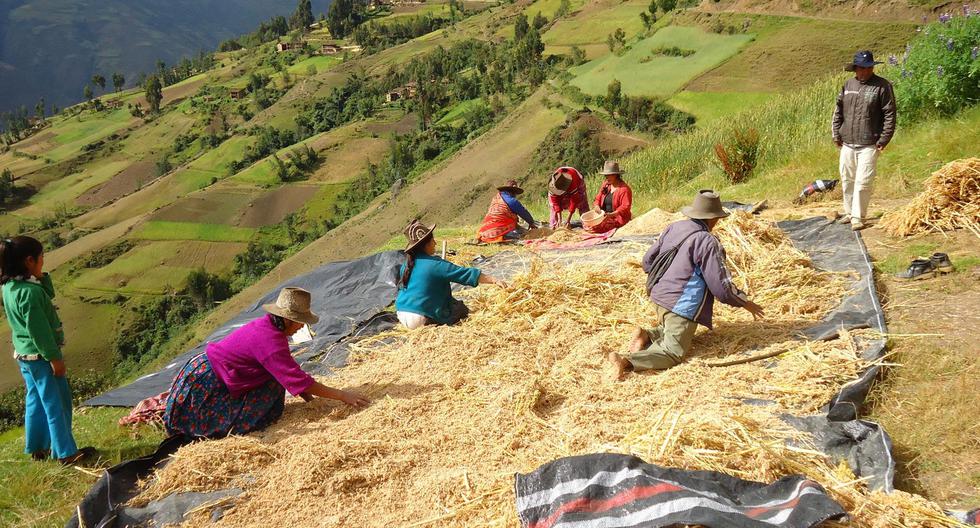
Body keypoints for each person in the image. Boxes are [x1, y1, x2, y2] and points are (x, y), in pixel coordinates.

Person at [164, 287, 369, 438]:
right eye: (300, 322)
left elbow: (290, 373)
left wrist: (310, 399)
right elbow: (297, 379)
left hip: (205, 369)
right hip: (205, 386)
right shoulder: (270, 341)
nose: (301, 327)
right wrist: (342, 396)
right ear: (287, 319)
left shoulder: (268, 327)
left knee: (274, 378)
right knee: (269, 393)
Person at [606, 191, 765, 379]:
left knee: (674, 330)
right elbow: (721, 287)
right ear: (713, 218)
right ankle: (626, 361)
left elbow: (647, 261)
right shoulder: (707, 241)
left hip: (657, 296)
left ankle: (647, 335)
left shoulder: (674, 227)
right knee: (673, 352)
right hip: (679, 306)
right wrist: (745, 302)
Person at [1, 236, 96, 464]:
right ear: (29, 261)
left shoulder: (10, 287)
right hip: (42, 357)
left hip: (25, 356)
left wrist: (40, 275)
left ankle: (38, 448)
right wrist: (54, 359)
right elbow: (40, 331)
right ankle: (66, 453)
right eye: (42, 257)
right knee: (57, 403)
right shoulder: (30, 293)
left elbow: (47, 295)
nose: (44, 260)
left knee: (35, 400)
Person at [396, 219, 506, 329]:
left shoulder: (407, 264)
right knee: (460, 309)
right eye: (432, 241)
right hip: (420, 317)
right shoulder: (435, 265)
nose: (435, 243)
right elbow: (465, 274)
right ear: (426, 245)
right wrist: (494, 280)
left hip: (402, 313)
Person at [831, 50, 897, 231]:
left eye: (868, 68)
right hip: (847, 142)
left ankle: (858, 217)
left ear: (872, 68)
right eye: (862, 68)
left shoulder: (882, 86)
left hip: (869, 143)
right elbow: (838, 111)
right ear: (855, 69)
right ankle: (849, 212)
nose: (865, 71)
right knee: (847, 179)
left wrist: (884, 138)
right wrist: (836, 134)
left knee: (862, 182)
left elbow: (890, 114)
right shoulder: (848, 85)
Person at [586, 161, 633, 234]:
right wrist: (596, 206)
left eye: (608, 175)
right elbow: (598, 198)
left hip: (617, 219)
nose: (606, 178)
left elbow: (625, 207)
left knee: (596, 228)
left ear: (615, 175)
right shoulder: (606, 185)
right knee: (587, 225)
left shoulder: (624, 189)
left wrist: (611, 215)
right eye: (605, 176)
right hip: (604, 217)